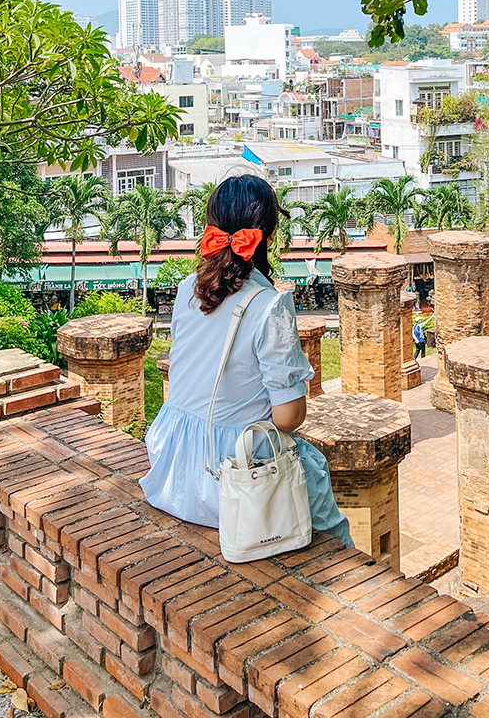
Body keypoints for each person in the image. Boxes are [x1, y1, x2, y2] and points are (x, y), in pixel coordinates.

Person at [140, 175, 351, 547]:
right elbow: (288, 417)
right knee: (323, 510)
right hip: (231, 477)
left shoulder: (188, 289)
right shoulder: (270, 305)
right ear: (268, 237)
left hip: (174, 468)